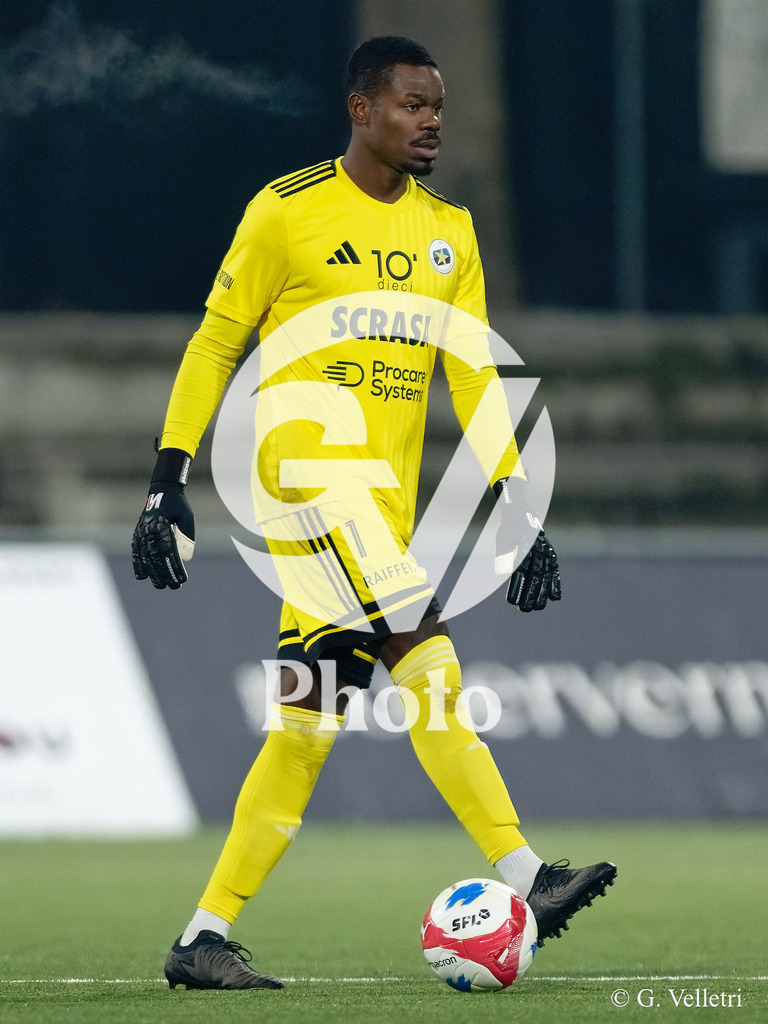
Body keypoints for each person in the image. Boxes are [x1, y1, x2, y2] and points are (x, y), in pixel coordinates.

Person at [132, 35, 616, 992]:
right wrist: (167, 477)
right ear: (362, 108)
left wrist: (517, 499)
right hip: (309, 485)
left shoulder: (451, 233)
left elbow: (476, 375)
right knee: (421, 642)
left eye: (438, 105)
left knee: (305, 725)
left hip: (379, 514)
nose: (432, 119)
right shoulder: (289, 211)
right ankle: (525, 874)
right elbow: (218, 338)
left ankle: (203, 937)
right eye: (411, 103)